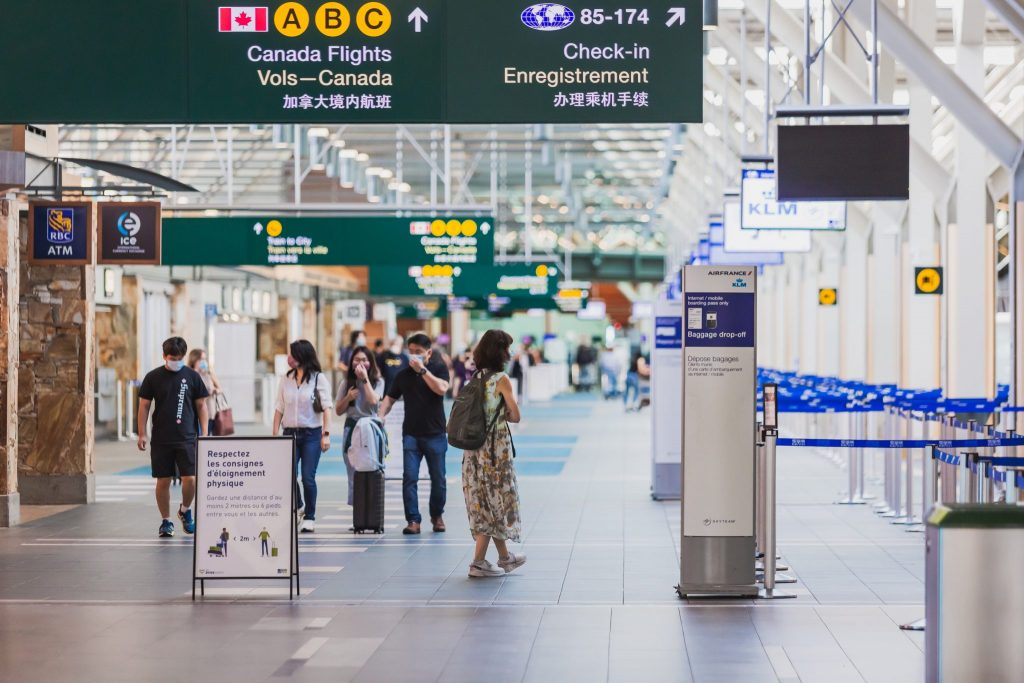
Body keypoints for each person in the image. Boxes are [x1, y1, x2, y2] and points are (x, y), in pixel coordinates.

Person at [461, 330, 527, 578]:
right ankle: (479, 562)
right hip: (494, 454)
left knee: (483, 503)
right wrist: (504, 415)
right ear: (500, 351)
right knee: (496, 502)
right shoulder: (501, 379)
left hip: (473, 452)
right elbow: (516, 415)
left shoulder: (475, 377)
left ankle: (503, 557)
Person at [137, 336, 210, 538]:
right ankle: (166, 521)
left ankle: (185, 511)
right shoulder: (153, 377)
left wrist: (204, 432)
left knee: (191, 479)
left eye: (178, 358)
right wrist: (142, 433)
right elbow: (144, 406)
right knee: (163, 481)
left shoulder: (193, 377)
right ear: (164, 356)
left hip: (187, 437)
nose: (175, 361)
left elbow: (202, 406)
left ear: (184, 357)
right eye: (171, 357)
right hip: (161, 437)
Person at [379, 332, 451, 535]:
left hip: (435, 433)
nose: (413, 356)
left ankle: (437, 516)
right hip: (411, 434)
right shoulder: (403, 375)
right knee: (409, 477)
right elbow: (390, 398)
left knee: (439, 479)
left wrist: (423, 371)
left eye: (418, 352)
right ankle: (413, 520)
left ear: (428, 352)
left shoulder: (438, 368)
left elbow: (442, 389)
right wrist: (381, 415)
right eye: (410, 352)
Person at [273, 339, 332, 533]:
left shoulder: (318, 379)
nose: (289, 358)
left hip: (312, 434)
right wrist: (274, 435)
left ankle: (310, 517)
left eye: (293, 354)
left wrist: (326, 434)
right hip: (289, 433)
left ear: (302, 356)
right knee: (287, 475)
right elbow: (279, 408)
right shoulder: (286, 379)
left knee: (308, 477)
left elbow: (327, 408)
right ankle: (298, 505)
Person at [335, 346, 384, 506]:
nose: (361, 363)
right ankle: (358, 512)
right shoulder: (346, 383)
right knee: (353, 470)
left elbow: (373, 402)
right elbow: (338, 410)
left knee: (372, 467)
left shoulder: (378, 381)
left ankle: (372, 509)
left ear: (370, 362)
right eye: (357, 360)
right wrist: (348, 397)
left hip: (370, 429)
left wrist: (364, 379)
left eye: (364, 360)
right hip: (352, 428)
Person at [187, 348, 221, 435]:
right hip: (196, 414)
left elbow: (219, 388)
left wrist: (215, 390)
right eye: (201, 359)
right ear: (194, 359)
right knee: (197, 440)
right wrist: (204, 394)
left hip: (210, 413)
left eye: (205, 359)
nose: (204, 361)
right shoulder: (189, 375)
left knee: (207, 438)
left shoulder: (209, 373)